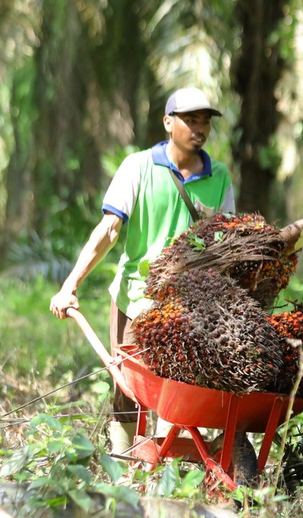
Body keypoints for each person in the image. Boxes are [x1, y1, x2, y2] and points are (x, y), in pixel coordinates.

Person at [49, 87, 257, 476]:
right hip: (136, 298)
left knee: (179, 390)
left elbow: (227, 240)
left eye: (205, 122)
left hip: (192, 306)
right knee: (128, 388)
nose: (199, 129)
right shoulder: (139, 167)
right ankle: (123, 468)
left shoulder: (220, 176)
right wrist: (70, 283)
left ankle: (168, 468)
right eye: (190, 120)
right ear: (168, 123)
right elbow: (109, 230)